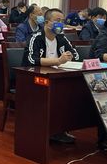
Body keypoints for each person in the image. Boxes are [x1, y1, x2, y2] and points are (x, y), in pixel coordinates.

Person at [22, 8, 79, 144]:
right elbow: (32, 60)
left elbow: (76, 55)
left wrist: (69, 56)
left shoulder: (61, 37)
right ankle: (49, 130)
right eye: (57, 21)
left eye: (62, 21)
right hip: (33, 78)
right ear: (47, 22)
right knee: (57, 94)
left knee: (72, 92)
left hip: (57, 76)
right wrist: (58, 61)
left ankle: (60, 128)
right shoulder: (36, 37)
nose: (60, 24)